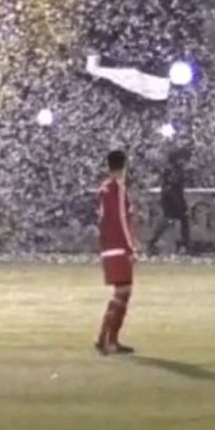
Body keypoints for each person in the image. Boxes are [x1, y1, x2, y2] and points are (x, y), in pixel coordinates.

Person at [96, 150, 138, 355]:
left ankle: (104, 338)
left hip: (108, 247)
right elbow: (122, 218)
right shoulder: (117, 188)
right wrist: (130, 247)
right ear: (124, 166)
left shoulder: (103, 188)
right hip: (119, 247)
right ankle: (110, 341)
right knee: (124, 292)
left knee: (120, 293)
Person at [148, 148, 191, 255]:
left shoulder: (169, 170)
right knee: (179, 220)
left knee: (169, 220)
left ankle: (153, 242)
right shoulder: (174, 170)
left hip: (170, 197)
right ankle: (183, 245)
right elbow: (173, 186)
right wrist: (180, 203)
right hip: (172, 198)